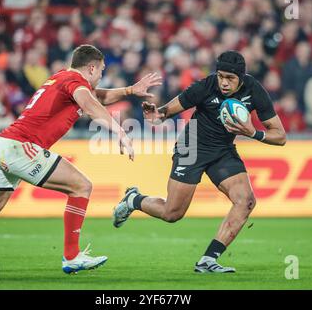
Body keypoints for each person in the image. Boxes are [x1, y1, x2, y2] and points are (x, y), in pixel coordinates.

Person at [0, 44, 162, 274]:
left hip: (4, 145)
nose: (100, 75)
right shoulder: (74, 81)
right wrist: (118, 130)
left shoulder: (63, 78)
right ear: (91, 68)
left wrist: (130, 91)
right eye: (100, 70)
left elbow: (96, 96)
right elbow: (90, 103)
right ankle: (71, 256)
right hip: (21, 146)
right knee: (81, 186)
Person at [113, 50, 286, 273]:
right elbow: (165, 112)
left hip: (223, 151)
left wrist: (253, 133)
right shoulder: (205, 86)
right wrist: (155, 115)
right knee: (172, 213)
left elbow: (280, 136)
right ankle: (134, 200)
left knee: (246, 201)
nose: (224, 82)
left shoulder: (254, 90)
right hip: (191, 147)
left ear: (241, 78)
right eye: (221, 76)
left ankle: (208, 260)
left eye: (230, 78)